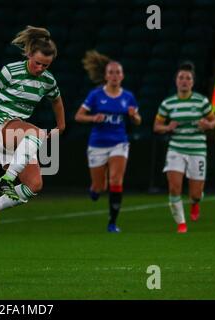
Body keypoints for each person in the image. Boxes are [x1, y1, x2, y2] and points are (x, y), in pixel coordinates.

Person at [0, 26, 66, 238]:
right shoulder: (11, 71)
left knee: (34, 185)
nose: (40, 68)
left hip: (16, 134)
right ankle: (7, 178)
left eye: (46, 65)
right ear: (28, 55)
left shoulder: (48, 80)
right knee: (37, 133)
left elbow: (57, 100)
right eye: (37, 63)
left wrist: (61, 125)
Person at [74, 50, 142, 233]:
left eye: (118, 72)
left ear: (122, 76)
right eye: (111, 72)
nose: (114, 75)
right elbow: (79, 116)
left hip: (119, 143)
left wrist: (134, 116)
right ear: (105, 76)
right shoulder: (96, 95)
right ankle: (95, 190)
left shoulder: (128, 96)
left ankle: (112, 222)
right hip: (97, 145)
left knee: (115, 180)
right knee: (100, 186)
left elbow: (138, 120)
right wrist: (93, 118)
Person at [153, 61, 215, 233]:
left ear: (192, 82)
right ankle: (181, 223)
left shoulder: (201, 101)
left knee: (195, 194)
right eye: (181, 78)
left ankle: (195, 203)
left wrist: (207, 125)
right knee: (174, 187)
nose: (184, 81)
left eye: (188, 78)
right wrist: (167, 128)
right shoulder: (168, 103)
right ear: (176, 81)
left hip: (197, 150)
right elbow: (156, 126)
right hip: (176, 148)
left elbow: (214, 121)